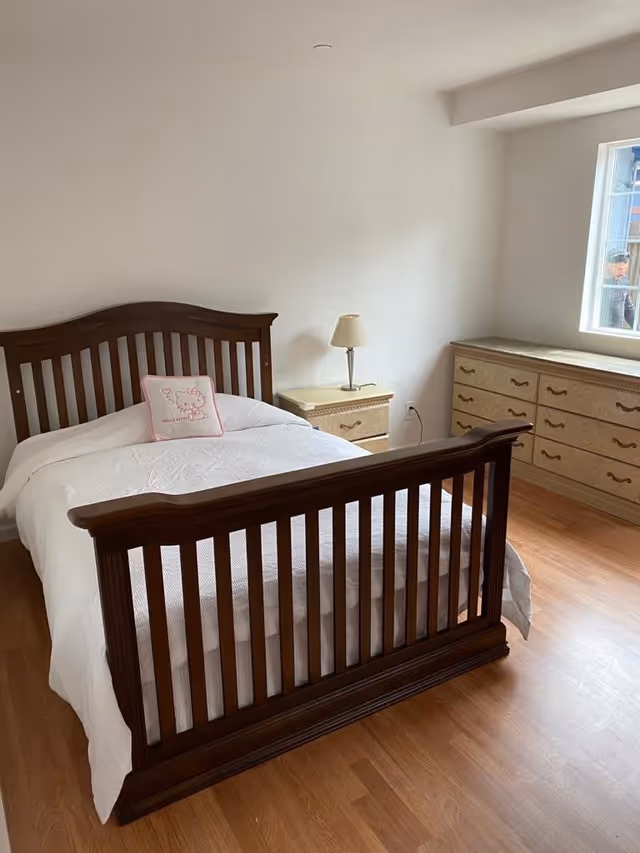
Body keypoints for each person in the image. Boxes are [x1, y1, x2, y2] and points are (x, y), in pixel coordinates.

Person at [601, 249, 635, 329]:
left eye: (625, 269)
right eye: (619, 269)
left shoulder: (624, 280)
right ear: (608, 266)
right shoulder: (601, 284)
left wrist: (637, 329)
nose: (622, 272)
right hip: (600, 332)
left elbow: (628, 308)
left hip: (616, 332)